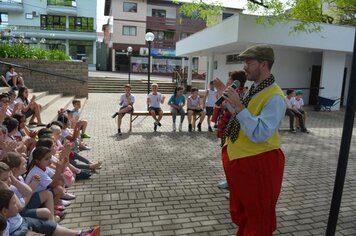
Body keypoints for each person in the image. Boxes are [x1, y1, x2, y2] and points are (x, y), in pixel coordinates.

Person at [217, 44, 286, 235]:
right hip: (243, 161)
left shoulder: (275, 96)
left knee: (259, 216)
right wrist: (231, 102)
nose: (244, 66)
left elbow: (261, 133)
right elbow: (244, 117)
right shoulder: (255, 88)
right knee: (245, 213)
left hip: (259, 163)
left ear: (263, 64)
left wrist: (238, 106)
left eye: (248, 62)